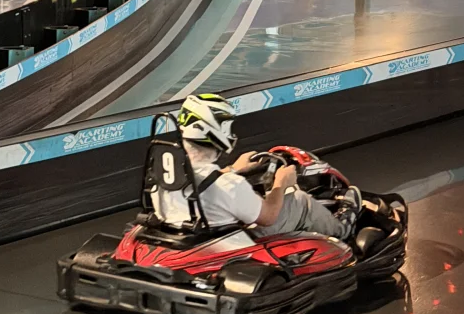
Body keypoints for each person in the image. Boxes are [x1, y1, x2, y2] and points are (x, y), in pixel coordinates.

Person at [153, 92, 360, 239]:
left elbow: (200, 184)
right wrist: (281, 184)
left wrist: (234, 169)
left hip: (191, 232)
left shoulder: (166, 173)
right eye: (227, 126)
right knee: (299, 200)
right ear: (214, 130)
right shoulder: (230, 186)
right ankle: (343, 228)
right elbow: (268, 217)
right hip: (232, 240)